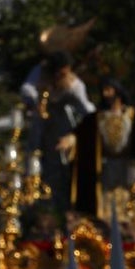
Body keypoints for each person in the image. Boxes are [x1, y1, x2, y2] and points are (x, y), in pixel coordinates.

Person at [67, 77, 135, 218]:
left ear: (117, 91)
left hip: (128, 166)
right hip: (106, 167)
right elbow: (81, 132)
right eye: (103, 90)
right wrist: (71, 139)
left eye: (108, 89)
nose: (105, 94)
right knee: (104, 197)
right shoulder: (97, 117)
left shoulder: (133, 114)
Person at [20, 50, 96, 212]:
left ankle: (59, 206)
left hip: (60, 126)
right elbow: (26, 89)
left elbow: (86, 109)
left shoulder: (74, 85)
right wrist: (37, 99)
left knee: (59, 168)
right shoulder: (40, 73)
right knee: (34, 158)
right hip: (40, 123)